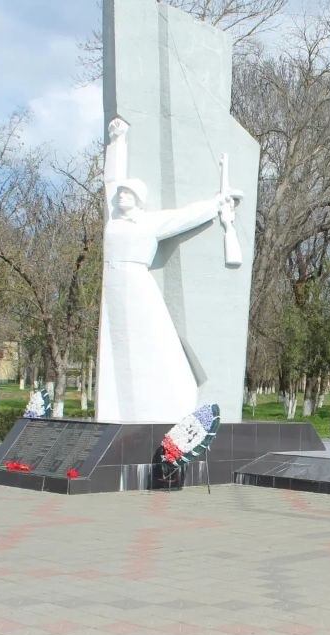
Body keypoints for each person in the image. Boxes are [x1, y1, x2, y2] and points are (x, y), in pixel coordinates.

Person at [97, 116, 242, 423]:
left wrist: (216, 204)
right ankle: (117, 411)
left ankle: (173, 403)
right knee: (114, 352)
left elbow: (183, 217)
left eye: (128, 193)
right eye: (121, 193)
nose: (121, 195)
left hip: (137, 284)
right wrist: (117, 140)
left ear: (139, 200)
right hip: (111, 286)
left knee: (156, 342)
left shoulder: (149, 222)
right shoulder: (113, 217)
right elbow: (111, 180)